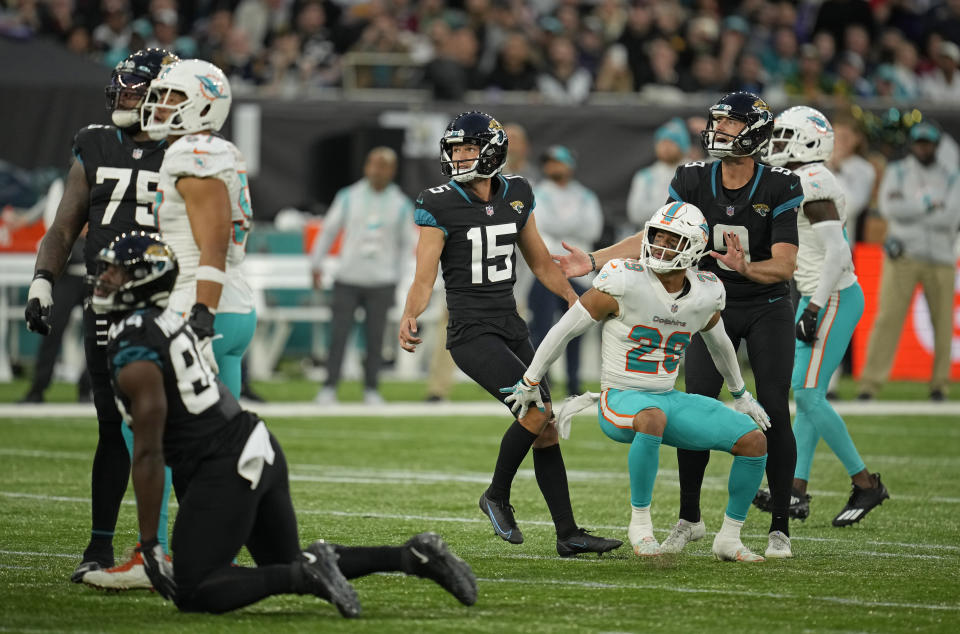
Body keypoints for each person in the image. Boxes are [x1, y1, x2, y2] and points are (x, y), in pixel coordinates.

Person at [90, 231, 477, 615]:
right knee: (283, 558)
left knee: (194, 589)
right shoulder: (163, 321)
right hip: (252, 442)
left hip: (224, 462)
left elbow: (148, 450)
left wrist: (150, 544)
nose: (105, 278)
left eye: (116, 272)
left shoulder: (136, 342)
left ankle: (306, 577)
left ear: (144, 279)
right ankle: (413, 556)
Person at [553, 92, 802, 559]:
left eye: (730, 125)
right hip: (704, 305)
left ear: (753, 133)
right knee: (696, 402)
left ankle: (779, 526)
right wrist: (592, 259)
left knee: (771, 407)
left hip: (765, 304)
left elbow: (785, 266)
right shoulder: (691, 176)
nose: (720, 132)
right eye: (719, 123)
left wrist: (745, 268)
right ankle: (691, 517)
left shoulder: (781, 185)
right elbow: (653, 236)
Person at [398, 111, 621, 557]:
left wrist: (576, 301)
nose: (459, 156)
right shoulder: (437, 201)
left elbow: (540, 262)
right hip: (470, 330)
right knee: (536, 411)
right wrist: (410, 314)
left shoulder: (517, 192)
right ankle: (496, 494)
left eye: (468, 148)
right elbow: (425, 276)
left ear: (493, 151)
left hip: (509, 322)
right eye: (455, 148)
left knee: (547, 426)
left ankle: (568, 534)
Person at [502, 202, 770, 561]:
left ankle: (729, 538)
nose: (658, 246)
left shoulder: (705, 292)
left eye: (670, 240)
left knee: (754, 440)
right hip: (622, 397)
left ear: (692, 247)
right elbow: (563, 330)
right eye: (656, 237)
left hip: (666, 398)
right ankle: (641, 525)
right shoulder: (625, 280)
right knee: (652, 417)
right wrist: (531, 378)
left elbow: (720, 344)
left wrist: (740, 395)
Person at [23, 48, 180, 584]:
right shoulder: (94, 143)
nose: (126, 97)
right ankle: (99, 547)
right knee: (112, 427)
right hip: (104, 302)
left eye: (138, 89)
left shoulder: (186, 151)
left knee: (176, 426)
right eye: (124, 87)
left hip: (164, 304)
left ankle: (178, 545)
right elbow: (65, 225)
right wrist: (43, 279)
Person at [761, 106, 889, 526]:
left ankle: (866, 484)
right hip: (819, 294)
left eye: (785, 136)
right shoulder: (798, 178)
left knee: (811, 395)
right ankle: (795, 489)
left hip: (831, 296)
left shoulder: (813, 180)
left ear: (810, 141)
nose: (776, 143)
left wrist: (814, 306)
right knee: (805, 394)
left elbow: (837, 253)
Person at [139, 58, 257, 401]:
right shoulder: (219, 150)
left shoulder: (194, 152)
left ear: (205, 104)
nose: (160, 106)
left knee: (146, 428)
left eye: (173, 97)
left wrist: (202, 315)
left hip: (199, 299)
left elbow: (214, 240)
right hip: (233, 300)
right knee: (222, 439)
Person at [857, 122, 960, 401]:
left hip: (941, 257)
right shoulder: (898, 170)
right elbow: (891, 209)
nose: (923, 147)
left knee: (943, 323)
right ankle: (870, 385)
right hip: (903, 256)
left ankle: (939, 385)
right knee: (887, 319)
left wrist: (911, 210)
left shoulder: (952, 174)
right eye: (919, 142)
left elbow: (951, 217)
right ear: (912, 144)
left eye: (928, 143)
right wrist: (929, 206)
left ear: (936, 145)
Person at [309, 147, 416, 405]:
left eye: (384, 166)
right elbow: (328, 231)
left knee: (376, 337)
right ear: (366, 167)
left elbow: (406, 245)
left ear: (392, 171)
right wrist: (316, 264)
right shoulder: (348, 196)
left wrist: (400, 278)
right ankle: (329, 387)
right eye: (374, 164)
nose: (378, 171)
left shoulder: (401, 204)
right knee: (338, 334)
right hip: (348, 277)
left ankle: (371, 388)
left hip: (382, 280)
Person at [528, 145, 604, 396]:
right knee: (542, 328)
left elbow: (593, 229)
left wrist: (560, 227)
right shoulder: (536, 193)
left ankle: (573, 382)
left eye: (558, 162)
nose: (553, 167)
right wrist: (572, 225)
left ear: (570, 164)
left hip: (580, 272)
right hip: (547, 269)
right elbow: (539, 226)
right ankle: (542, 381)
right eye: (549, 162)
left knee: (577, 329)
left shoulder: (586, 196)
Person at [627, 117, 690, 229]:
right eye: (662, 142)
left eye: (671, 142)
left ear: (682, 145)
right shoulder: (646, 176)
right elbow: (635, 213)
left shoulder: (695, 173)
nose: (665, 147)